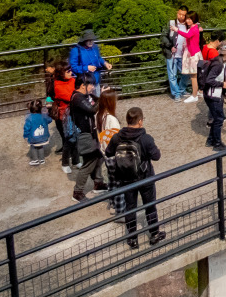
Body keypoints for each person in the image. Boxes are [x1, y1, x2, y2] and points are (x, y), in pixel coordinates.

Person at [105, 107, 165, 249]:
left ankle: (132, 239)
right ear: (140, 121)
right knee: (150, 205)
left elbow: (108, 153)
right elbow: (156, 156)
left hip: (126, 179)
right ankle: (154, 234)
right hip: (145, 178)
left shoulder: (117, 137)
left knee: (130, 208)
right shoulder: (146, 139)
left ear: (127, 121)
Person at [69, 75, 109, 202]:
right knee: (88, 163)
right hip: (85, 136)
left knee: (99, 156)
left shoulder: (85, 96)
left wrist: (104, 95)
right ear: (83, 85)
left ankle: (98, 183)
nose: (93, 87)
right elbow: (92, 109)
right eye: (91, 85)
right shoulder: (77, 98)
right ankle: (77, 192)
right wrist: (102, 96)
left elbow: (95, 102)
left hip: (91, 134)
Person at [199, 41, 226, 149]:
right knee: (219, 118)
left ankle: (210, 140)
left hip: (212, 94)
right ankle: (217, 144)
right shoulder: (219, 64)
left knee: (216, 118)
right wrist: (222, 84)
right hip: (214, 95)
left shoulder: (221, 61)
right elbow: (210, 80)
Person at [96, 89, 124, 215]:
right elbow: (116, 138)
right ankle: (119, 209)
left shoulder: (99, 114)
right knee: (119, 182)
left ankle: (112, 202)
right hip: (114, 154)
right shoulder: (111, 119)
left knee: (112, 180)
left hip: (105, 152)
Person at [48, 63, 77, 168]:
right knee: (67, 136)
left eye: (71, 70)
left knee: (70, 136)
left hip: (71, 112)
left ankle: (72, 156)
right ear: (61, 73)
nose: (71, 73)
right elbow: (72, 97)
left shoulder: (72, 80)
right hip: (64, 114)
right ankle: (68, 159)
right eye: (68, 71)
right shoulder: (57, 85)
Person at [166, 7, 188, 101]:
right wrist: (169, 46)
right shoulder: (171, 23)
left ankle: (182, 89)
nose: (181, 16)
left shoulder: (188, 24)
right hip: (171, 54)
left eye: (183, 15)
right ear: (177, 13)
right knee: (172, 75)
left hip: (184, 54)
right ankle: (176, 93)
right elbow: (164, 36)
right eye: (179, 14)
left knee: (186, 73)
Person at [180, 13, 202, 103]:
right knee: (194, 76)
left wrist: (177, 30)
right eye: (187, 19)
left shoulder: (194, 28)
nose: (188, 20)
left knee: (193, 76)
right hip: (193, 53)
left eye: (190, 19)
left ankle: (194, 95)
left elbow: (188, 36)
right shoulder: (194, 27)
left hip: (193, 55)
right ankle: (195, 93)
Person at [23, 99, 51, 166]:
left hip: (33, 137)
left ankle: (35, 160)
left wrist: (25, 135)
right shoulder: (43, 116)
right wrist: (47, 113)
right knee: (40, 146)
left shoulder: (29, 118)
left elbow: (27, 128)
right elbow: (49, 120)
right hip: (43, 136)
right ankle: (42, 159)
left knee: (33, 147)